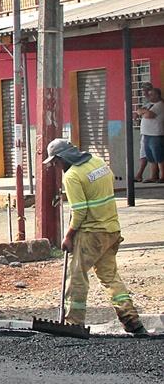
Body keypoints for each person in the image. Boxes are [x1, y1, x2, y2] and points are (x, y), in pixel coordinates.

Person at [44, 139, 149, 335]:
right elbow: (109, 181)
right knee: (110, 277)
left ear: (63, 158)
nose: (56, 166)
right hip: (111, 230)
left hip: (91, 234)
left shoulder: (72, 176)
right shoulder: (98, 162)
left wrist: (68, 237)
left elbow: (80, 211)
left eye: (56, 162)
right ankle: (132, 321)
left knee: (76, 276)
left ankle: (74, 323)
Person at [134, 87, 163, 183]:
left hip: (156, 134)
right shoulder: (149, 104)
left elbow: (149, 115)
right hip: (146, 134)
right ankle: (154, 176)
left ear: (157, 95)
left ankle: (162, 176)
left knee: (159, 156)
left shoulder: (160, 105)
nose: (149, 96)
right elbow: (139, 111)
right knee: (151, 157)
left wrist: (144, 112)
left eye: (152, 94)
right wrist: (143, 112)